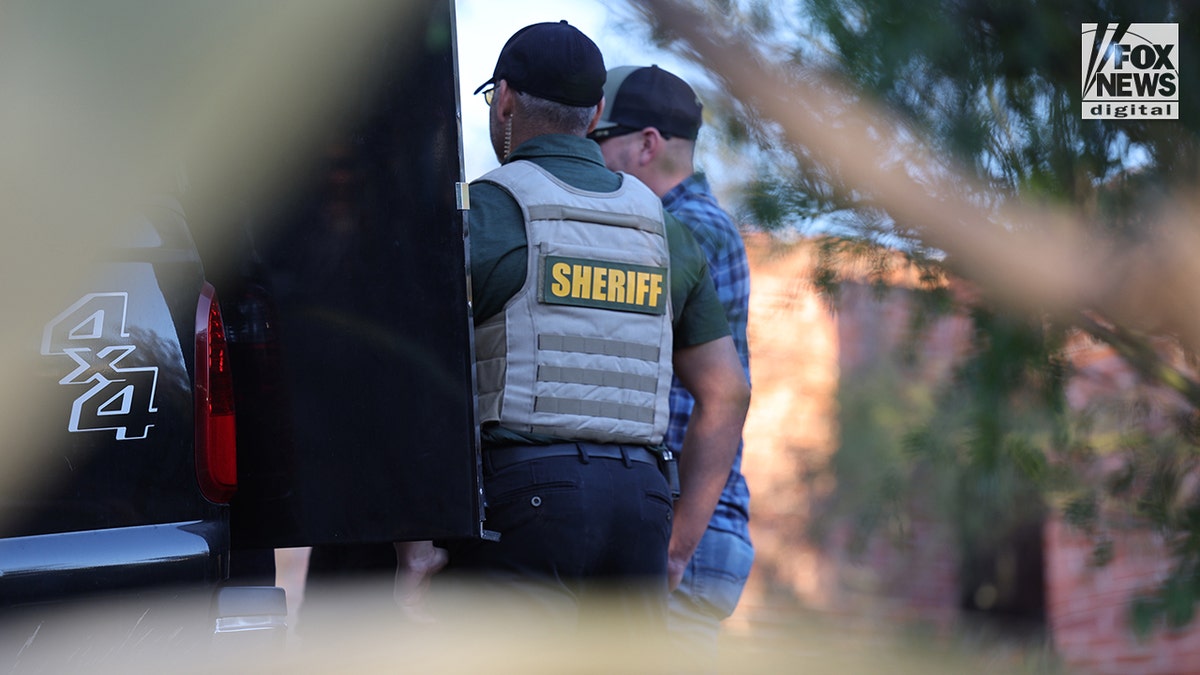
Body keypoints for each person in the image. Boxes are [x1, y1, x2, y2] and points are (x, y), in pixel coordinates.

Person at [396, 21, 749, 633]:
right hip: (640, 508)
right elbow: (727, 391)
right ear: (596, 112)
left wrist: (416, 546)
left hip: (527, 506)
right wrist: (676, 550)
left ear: (503, 100)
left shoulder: (483, 213)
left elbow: (410, 378)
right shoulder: (665, 229)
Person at [589, 65, 754, 659]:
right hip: (687, 530)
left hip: (685, 537)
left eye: (595, 141)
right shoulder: (692, 223)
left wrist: (676, 548)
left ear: (646, 144)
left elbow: (721, 396)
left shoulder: (683, 229)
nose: (587, 159)